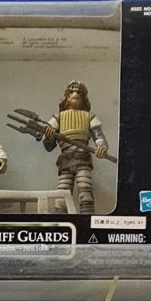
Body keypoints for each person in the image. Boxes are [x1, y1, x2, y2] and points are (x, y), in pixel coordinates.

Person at [43, 80, 109, 213]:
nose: (75, 95)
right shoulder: (58, 118)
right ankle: (60, 222)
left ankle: (87, 219)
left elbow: (99, 137)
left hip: (83, 159)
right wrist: (49, 137)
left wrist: (101, 148)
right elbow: (49, 146)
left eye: (78, 92)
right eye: (71, 92)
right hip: (66, 160)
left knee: (85, 193)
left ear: (83, 98)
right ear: (66, 97)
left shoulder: (89, 117)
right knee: (61, 196)